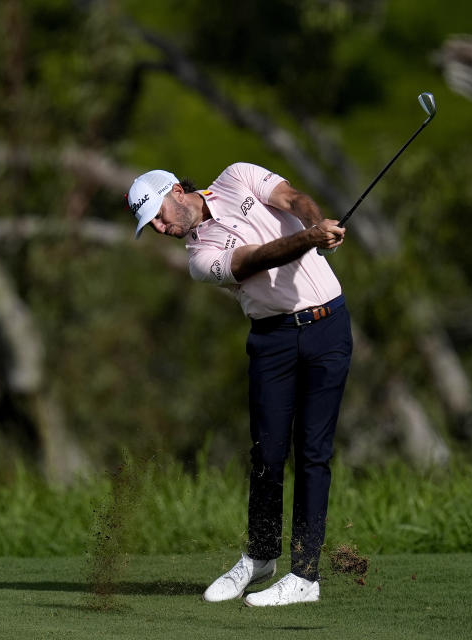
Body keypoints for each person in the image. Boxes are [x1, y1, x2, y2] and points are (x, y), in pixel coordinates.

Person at [128, 163, 353, 607]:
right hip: (273, 340)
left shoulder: (237, 177)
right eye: (149, 225)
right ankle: (260, 556)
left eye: (157, 214)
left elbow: (292, 198)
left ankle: (305, 576)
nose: (159, 227)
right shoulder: (198, 259)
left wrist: (315, 223)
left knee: (313, 453)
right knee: (267, 454)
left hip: (328, 326)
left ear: (176, 190)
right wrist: (310, 239)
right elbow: (255, 258)